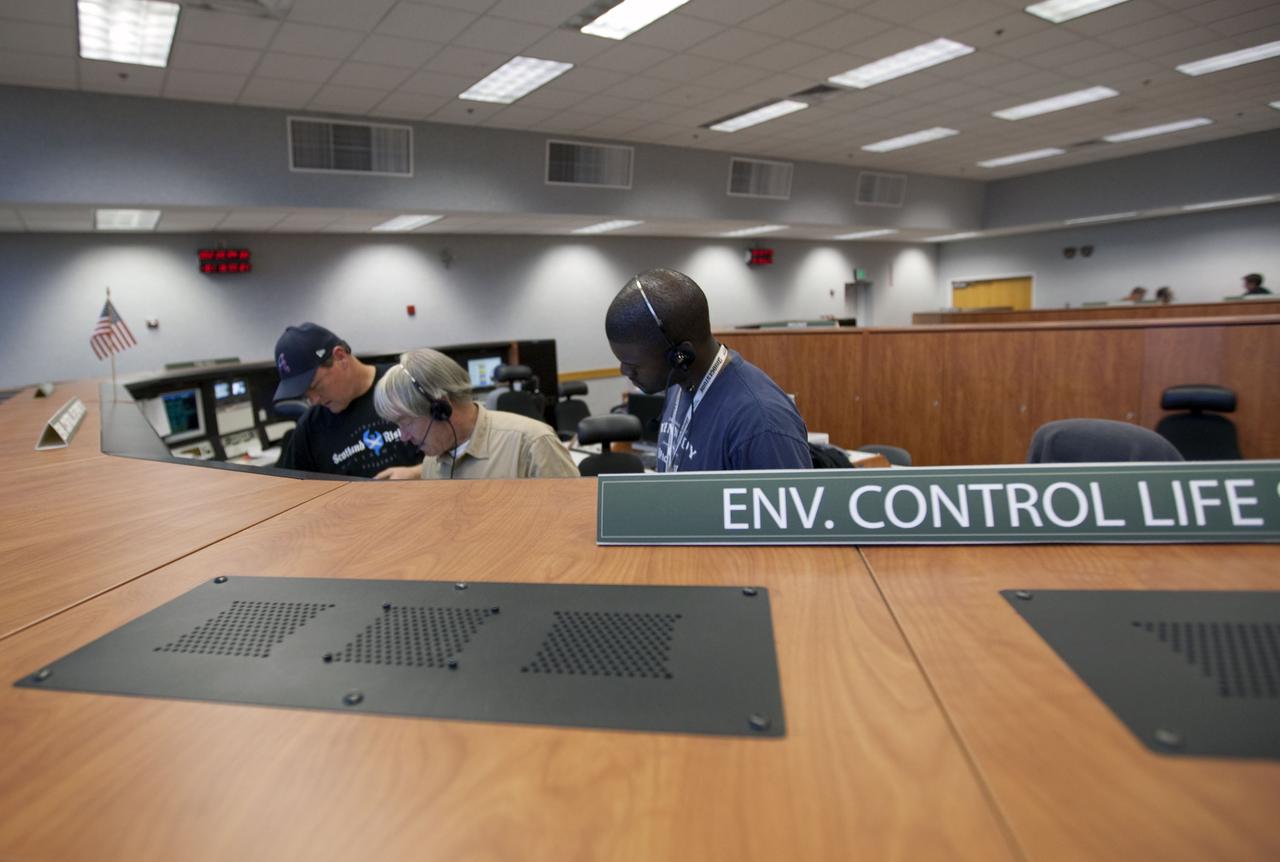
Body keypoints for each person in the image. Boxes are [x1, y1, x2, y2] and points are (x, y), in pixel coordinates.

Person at [604, 267, 810, 473]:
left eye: (633, 365)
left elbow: (790, 505)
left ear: (681, 356)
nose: (625, 371)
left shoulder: (761, 423)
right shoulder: (679, 385)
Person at [372, 348, 578, 480]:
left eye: (405, 423)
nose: (403, 436)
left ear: (441, 408)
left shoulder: (532, 444)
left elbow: (574, 524)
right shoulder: (432, 461)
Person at [272, 323, 423, 477]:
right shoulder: (310, 428)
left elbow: (449, 447)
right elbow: (293, 489)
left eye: (316, 386)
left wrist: (420, 473)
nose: (314, 400)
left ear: (340, 357)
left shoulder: (406, 384)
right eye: (305, 394)